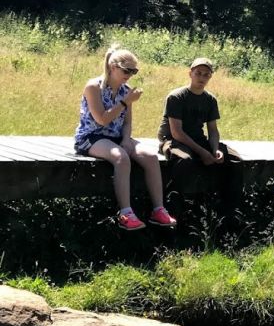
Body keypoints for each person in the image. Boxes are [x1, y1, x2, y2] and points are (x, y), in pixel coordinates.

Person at [73, 45, 177, 231]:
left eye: (134, 71)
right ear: (113, 67)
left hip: (115, 137)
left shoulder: (125, 90)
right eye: (127, 70)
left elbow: (127, 122)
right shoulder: (93, 87)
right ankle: (126, 213)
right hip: (91, 137)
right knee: (121, 157)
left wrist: (127, 139)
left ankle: (158, 210)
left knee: (151, 157)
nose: (130, 75)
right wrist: (125, 102)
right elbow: (102, 120)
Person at [157, 57, 243, 231]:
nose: (201, 77)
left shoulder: (210, 100)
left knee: (234, 159)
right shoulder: (176, 97)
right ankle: (173, 210)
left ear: (210, 77)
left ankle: (229, 211)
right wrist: (203, 153)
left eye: (206, 74)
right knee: (185, 161)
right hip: (173, 140)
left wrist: (214, 150)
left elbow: (212, 130)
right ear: (190, 74)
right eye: (198, 73)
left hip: (198, 139)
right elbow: (176, 132)